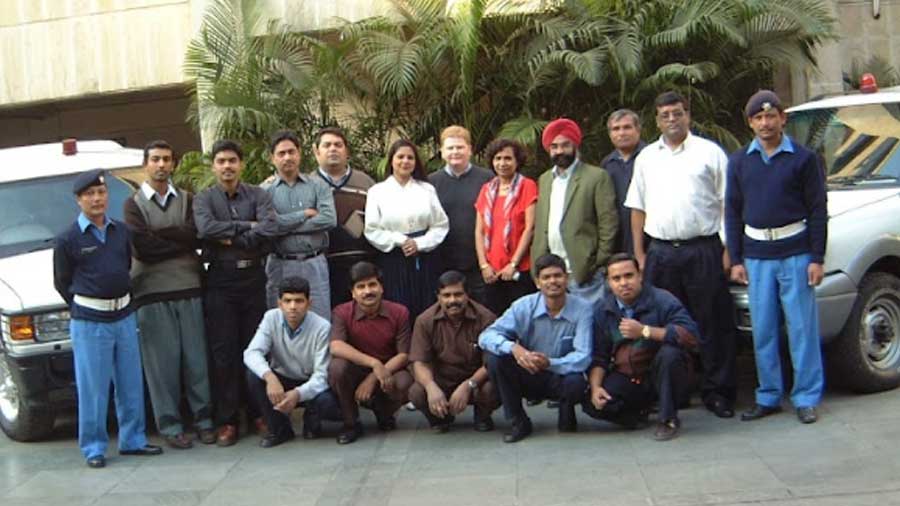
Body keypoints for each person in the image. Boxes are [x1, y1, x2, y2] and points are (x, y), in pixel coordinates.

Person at [625, 91, 738, 419]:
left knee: (713, 323)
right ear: (656, 120)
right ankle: (674, 392)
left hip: (703, 250)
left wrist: (729, 251)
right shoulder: (647, 157)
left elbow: (728, 204)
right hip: (660, 252)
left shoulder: (709, 152)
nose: (671, 120)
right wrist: (639, 254)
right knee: (663, 324)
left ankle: (718, 392)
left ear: (688, 115)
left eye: (677, 113)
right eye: (665, 115)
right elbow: (637, 208)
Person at [726, 90, 828, 424]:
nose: (765, 123)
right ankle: (768, 395)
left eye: (771, 116)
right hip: (757, 256)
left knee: (801, 328)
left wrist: (817, 257)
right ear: (750, 122)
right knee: (764, 330)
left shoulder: (803, 158)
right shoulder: (740, 160)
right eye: (758, 117)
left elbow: (817, 209)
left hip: (795, 251)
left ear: (782, 118)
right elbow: (733, 210)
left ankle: (806, 396)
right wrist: (737, 259)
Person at [53, 169, 162, 468]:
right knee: (94, 387)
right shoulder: (67, 239)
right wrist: (89, 305)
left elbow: (125, 265)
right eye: (89, 194)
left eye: (101, 193)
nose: (97, 199)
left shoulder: (121, 231)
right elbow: (62, 283)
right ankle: (94, 447)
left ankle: (133, 440)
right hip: (90, 321)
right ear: (78, 200)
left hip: (124, 315)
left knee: (130, 382)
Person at [124, 140, 214, 449]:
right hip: (150, 293)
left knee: (197, 361)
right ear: (145, 164)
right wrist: (180, 241)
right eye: (155, 159)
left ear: (173, 164)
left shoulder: (189, 199)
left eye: (166, 159)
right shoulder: (132, 204)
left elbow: (196, 234)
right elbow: (142, 248)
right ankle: (171, 425)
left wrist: (161, 236)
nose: (161, 165)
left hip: (189, 286)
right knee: (162, 367)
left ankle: (204, 421)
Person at [194, 139, 278, 446]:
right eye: (221, 161)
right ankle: (227, 420)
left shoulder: (259, 194)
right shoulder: (204, 199)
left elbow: (269, 228)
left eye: (232, 160)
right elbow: (205, 230)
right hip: (220, 282)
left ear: (241, 164)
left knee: (254, 349)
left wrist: (230, 232)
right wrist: (247, 227)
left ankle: (259, 414)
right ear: (214, 166)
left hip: (253, 279)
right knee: (224, 353)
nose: (227, 166)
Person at [583, 253, 699, 441]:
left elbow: (691, 336)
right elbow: (599, 356)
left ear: (640, 276)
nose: (623, 283)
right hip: (629, 377)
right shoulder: (602, 310)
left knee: (670, 354)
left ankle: (668, 419)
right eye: (616, 278)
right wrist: (596, 387)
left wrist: (645, 331)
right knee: (591, 402)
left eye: (629, 276)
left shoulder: (662, 299)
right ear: (609, 282)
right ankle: (637, 416)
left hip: (663, 373)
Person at [479, 253, 592, 443]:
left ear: (567, 278)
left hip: (559, 374)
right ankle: (518, 421)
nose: (553, 281)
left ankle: (567, 408)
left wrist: (550, 363)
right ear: (537, 282)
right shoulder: (523, 306)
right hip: (528, 371)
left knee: (577, 383)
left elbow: (583, 356)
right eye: (546, 277)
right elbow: (486, 336)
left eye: (558, 275)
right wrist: (514, 348)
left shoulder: (583, 308)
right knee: (494, 359)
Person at [244, 276, 343, 447]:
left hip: (309, 382)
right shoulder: (271, 318)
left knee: (326, 403)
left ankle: (312, 418)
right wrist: (270, 377)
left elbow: (321, 375)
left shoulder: (322, 327)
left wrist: (298, 394)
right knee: (254, 375)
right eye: (287, 301)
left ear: (309, 303)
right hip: (281, 380)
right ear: (279, 303)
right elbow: (251, 353)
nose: (293, 307)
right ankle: (280, 429)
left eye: (299, 301)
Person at [531, 118, 618, 307]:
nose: (559, 151)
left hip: (584, 270)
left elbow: (608, 223)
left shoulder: (596, 177)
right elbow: (542, 225)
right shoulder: (545, 179)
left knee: (590, 325)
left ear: (575, 145)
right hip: (552, 272)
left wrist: (598, 261)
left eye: (565, 145)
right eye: (554, 146)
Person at [328, 261, 414, 444]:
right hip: (357, 369)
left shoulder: (400, 312)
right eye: (361, 287)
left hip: (388, 371)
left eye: (372, 284)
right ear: (353, 293)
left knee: (404, 381)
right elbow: (336, 346)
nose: (368, 291)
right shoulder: (341, 312)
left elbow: (404, 354)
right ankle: (351, 423)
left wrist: (374, 376)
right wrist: (373, 364)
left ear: (381, 287)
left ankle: (385, 413)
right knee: (337, 367)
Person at [364, 139, 449, 320]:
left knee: (426, 304)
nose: (405, 161)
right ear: (391, 160)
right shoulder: (377, 192)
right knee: (397, 306)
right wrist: (401, 241)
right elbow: (372, 229)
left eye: (410, 157)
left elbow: (440, 224)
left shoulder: (427, 190)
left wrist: (419, 244)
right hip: (394, 257)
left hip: (425, 256)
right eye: (400, 157)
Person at [409, 271, 499, 433]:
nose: (452, 300)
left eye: (458, 294)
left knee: (493, 387)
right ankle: (439, 418)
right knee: (417, 392)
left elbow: (490, 363)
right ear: (438, 296)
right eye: (446, 295)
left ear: (467, 295)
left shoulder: (486, 318)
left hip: (475, 379)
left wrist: (468, 385)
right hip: (442, 380)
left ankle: (483, 416)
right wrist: (431, 387)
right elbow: (420, 362)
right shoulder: (424, 321)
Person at [265, 130, 336, 320]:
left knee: (319, 322)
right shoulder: (265, 191)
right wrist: (303, 214)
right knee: (281, 323)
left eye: (291, 151)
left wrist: (285, 224)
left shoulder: (318, 185)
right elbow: (270, 227)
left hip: (314, 262)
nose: (287, 157)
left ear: (299, 153)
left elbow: (329, 219)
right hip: (280, 264)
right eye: (281, 153)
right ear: (272, 158)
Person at [429, 125, 494, 303]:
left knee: (484, 312)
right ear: (442, 152)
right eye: (450, 148)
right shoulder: (431, 183)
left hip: (480, 262)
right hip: (444, 261)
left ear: (470, 150)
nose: (455, 152)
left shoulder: (487, 179)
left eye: (460, 147)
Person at [314, 127, 377, 308]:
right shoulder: (308, 184)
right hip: (323, 266)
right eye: (327, 145)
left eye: (338, 145)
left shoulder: (366, 182)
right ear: (317, 151)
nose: (333, 149)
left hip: (363, 265)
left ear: (346, 151)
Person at [474, 138, 538, 316]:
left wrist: (513, 264)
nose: (502, 163)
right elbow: (479, 231)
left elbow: (530, 228)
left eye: (508, 158)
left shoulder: (527, 186)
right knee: (494, 319)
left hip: (519, 269)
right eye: (498, 158)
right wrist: (484, 265)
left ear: (517, 161)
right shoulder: (487, 189)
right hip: (491, 271)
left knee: (521, 318)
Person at [601, 109, 648, 255]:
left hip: (650, 238)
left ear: (638, 130)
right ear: (610, 134)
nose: (621, 133)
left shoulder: (652, 157)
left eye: (627, 127)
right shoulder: (607, 164)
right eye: (616, 129)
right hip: (618, 239)